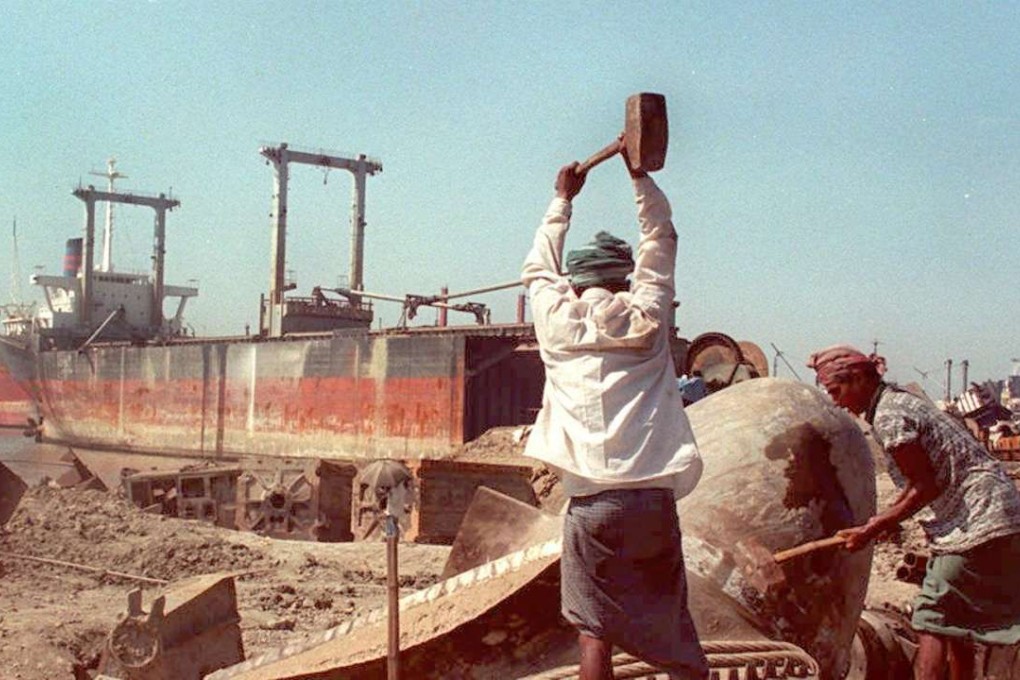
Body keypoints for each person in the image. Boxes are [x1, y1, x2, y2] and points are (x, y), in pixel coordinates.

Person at [521, 143, 708, 680]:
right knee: (674, 627)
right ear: (625, 279)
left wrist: (561, 201)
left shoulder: (557, 326)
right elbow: (661, 238)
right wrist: (639, 178)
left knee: (594, 630)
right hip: (651, 499)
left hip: (592, 504)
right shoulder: (649, 320)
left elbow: (538, 268)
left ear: (576, 283)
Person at [807, 345, 1020, 680]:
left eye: (837, 391)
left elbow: (925, 486)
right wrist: (875, 523)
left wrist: (873, 528)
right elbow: (919, 483)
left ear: (860, 379)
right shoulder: (898, 401)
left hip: (977, 520)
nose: (836, 401)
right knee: (957, 623)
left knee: (930, 617)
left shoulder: (890, 416)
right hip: (998, 512)